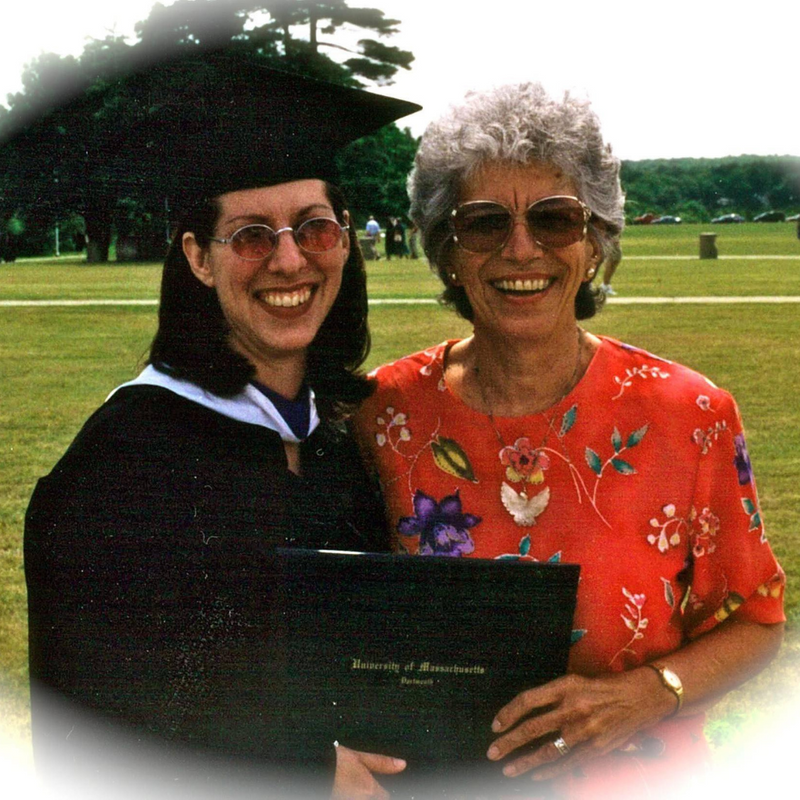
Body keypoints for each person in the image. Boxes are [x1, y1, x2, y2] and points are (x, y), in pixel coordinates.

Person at [355, 83, 784, 798]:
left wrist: (651, 691)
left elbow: (758, 621)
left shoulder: (691, 414)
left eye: (555, 219)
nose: (522, 249)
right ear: (446, 250)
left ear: (593, 245)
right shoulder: (379, 416)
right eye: (485, 223)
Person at [23, 57, 419, 800]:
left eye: (315, 227)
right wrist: (301, 771)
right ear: (198, 258)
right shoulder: (119, 471)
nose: (290, 259)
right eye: (251, 236)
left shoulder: (343, 441)